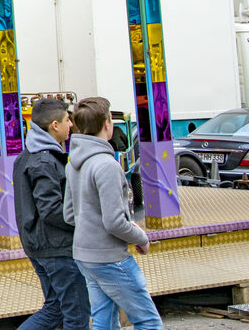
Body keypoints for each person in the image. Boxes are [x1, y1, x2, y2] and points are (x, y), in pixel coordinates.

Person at [64, 97, 161, 329]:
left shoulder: (73, 162)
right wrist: (141, 238)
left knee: (104, 321)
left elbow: (69, 214)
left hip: (84, 255)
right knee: (148, 322)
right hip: (110, 257)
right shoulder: (106, 165)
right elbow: (114, 222)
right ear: (107, 124)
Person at [14, 98, 89, 330]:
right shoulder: (44, 160)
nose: (71, 126)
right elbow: (51, 210)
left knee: (55, 309)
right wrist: (84, 223)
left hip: (38, 244)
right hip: (55, 248)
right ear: (54, 125)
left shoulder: (27, 155)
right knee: (76, 314)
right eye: (68, 120)